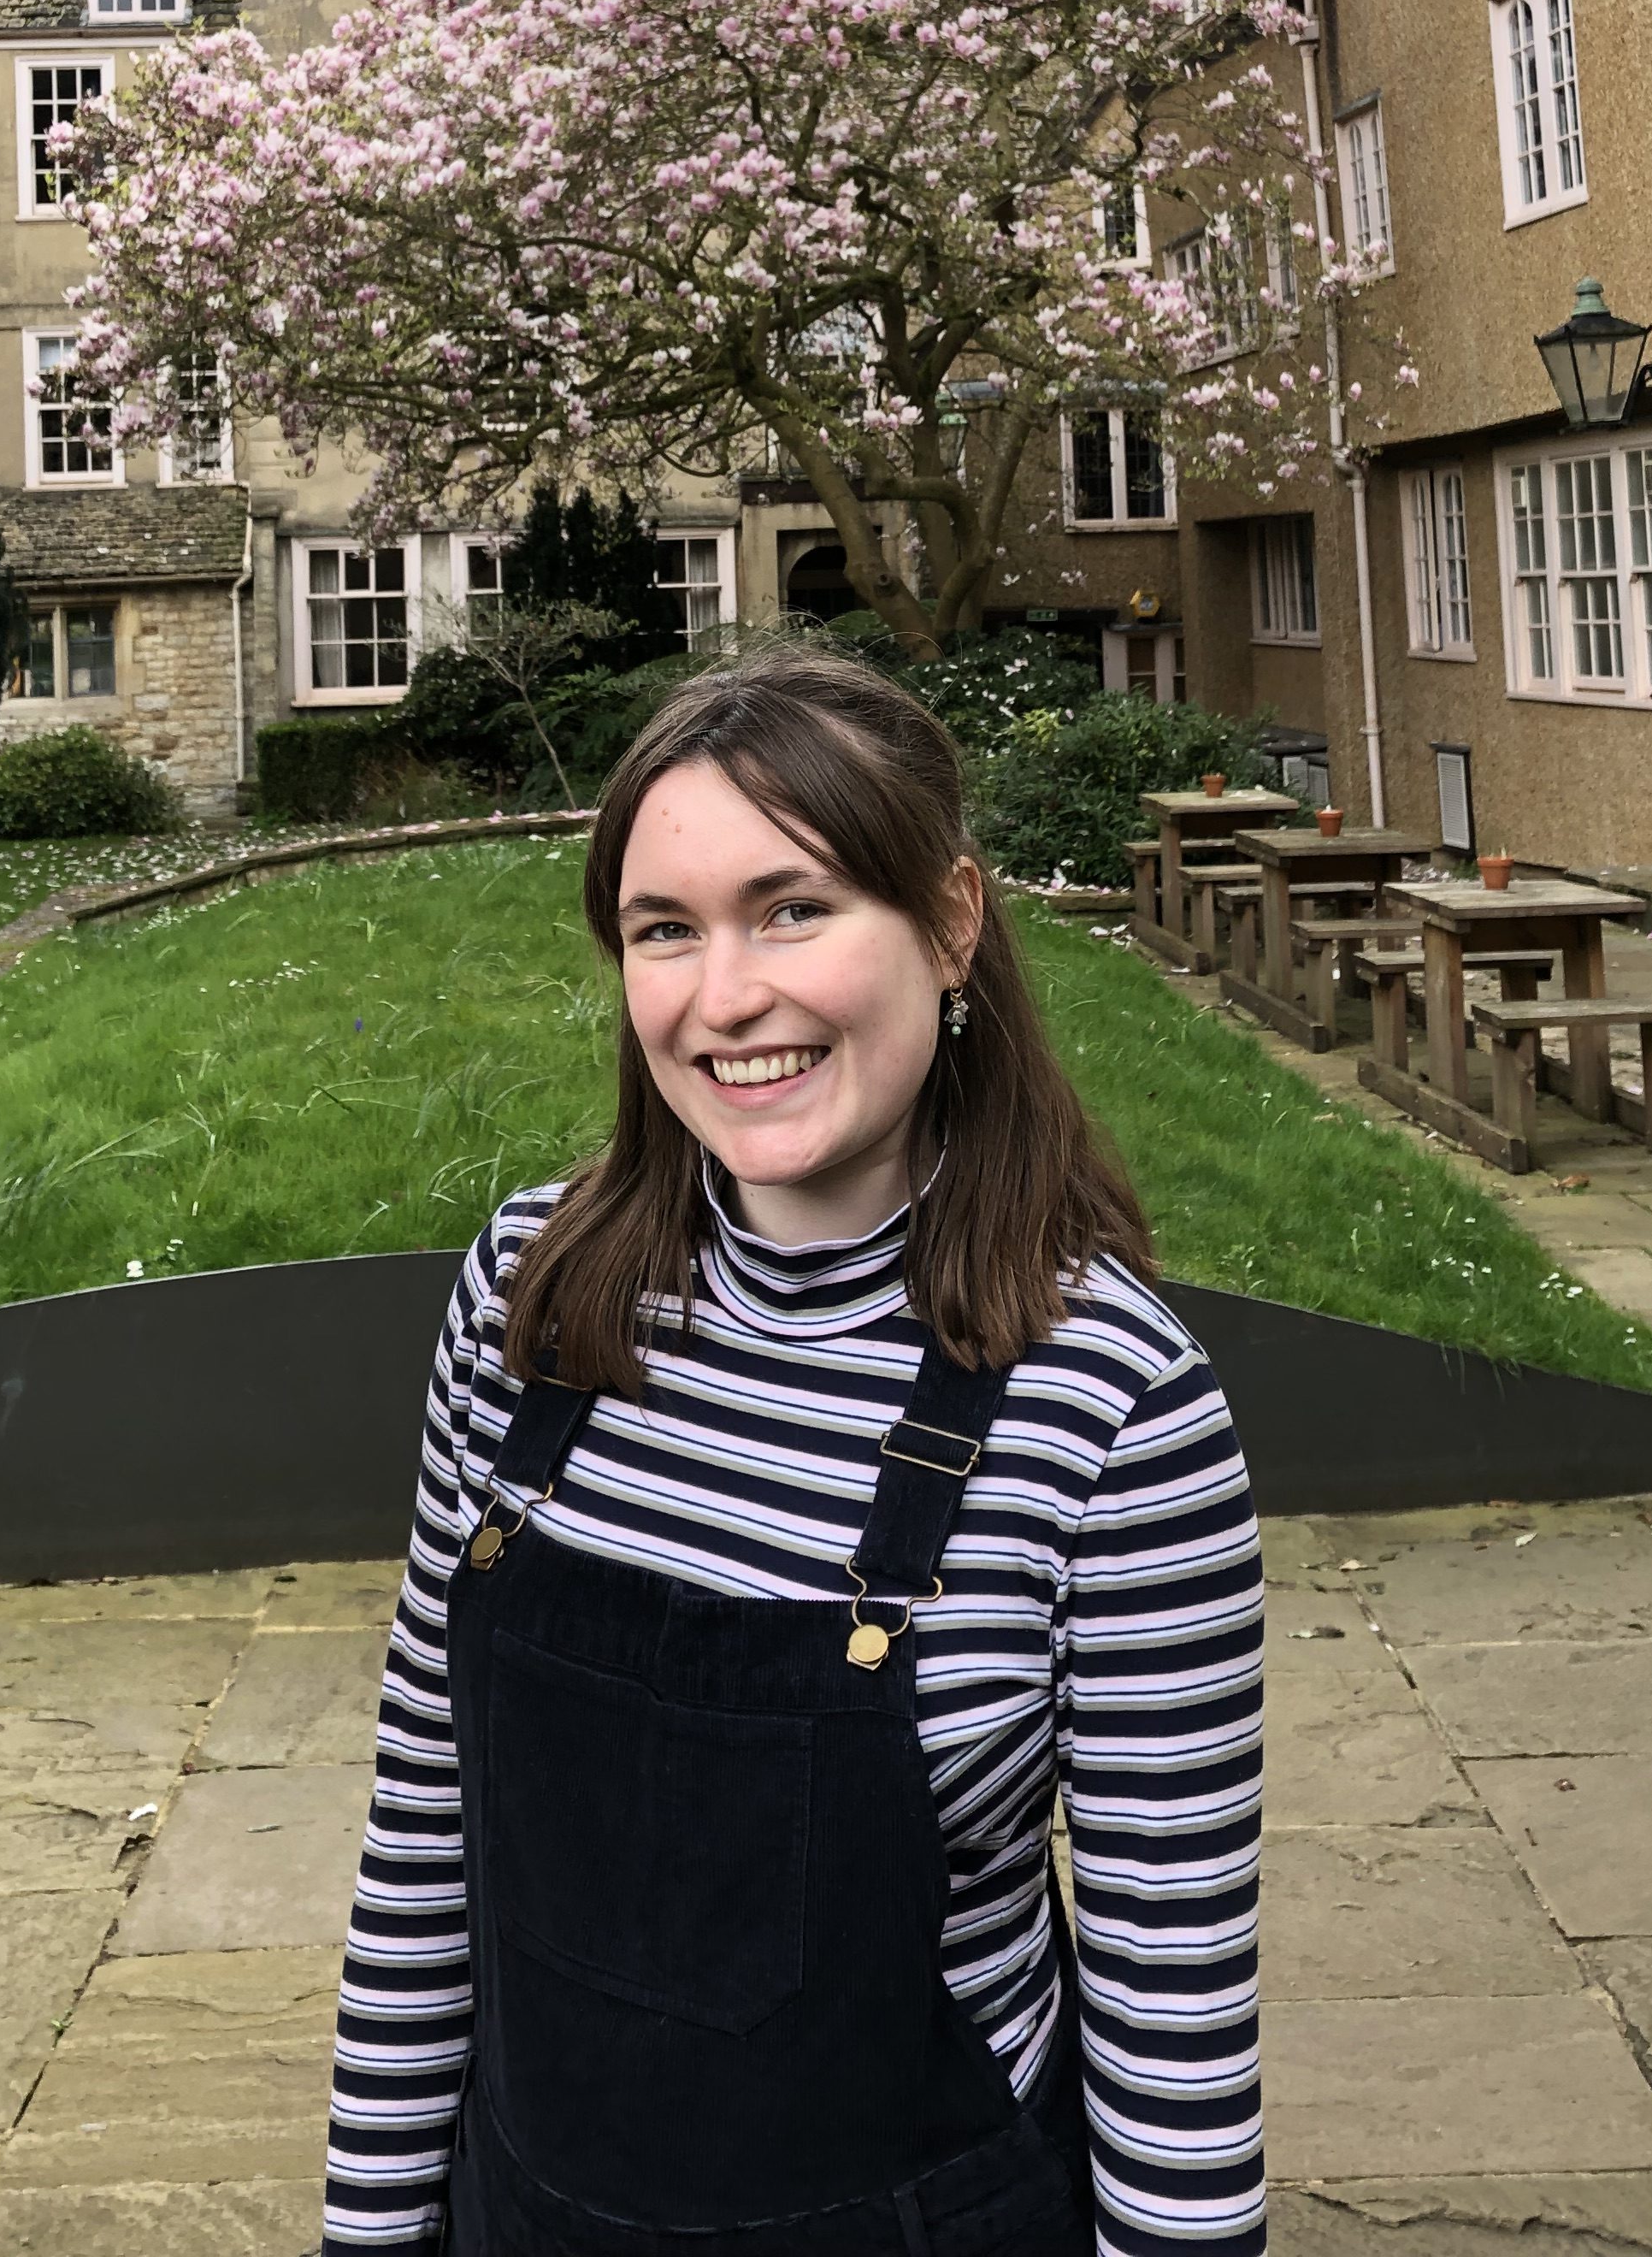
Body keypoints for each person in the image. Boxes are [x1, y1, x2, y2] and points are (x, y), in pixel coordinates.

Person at [321, 647, 1264, 2255]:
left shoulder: (1109, 1405)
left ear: (952, 924)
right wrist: (368, 2231)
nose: (726, 996)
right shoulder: (527, 1300)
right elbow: (424, 1834)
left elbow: (1176, 2044)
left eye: (796, 908)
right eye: (664, 929)